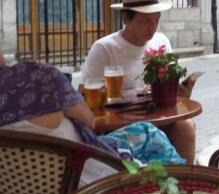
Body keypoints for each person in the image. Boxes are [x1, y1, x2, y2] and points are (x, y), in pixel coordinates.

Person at [0, 58, 185, 187]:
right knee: (152, 136)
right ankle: (184, 192)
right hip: (89, 182)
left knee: (145, 130)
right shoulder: (40, 78)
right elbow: (89, 121)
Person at [80, 0, 196, 163]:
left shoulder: (161, 41)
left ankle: (187, 186)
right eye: (145, 21)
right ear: (126, 18)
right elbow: (84, 95)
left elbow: (170, 88)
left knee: (185, 127)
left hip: (158, 118)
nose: (152, 27)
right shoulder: (104, 48)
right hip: (120, 126)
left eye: (156, 20)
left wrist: (180, 93)